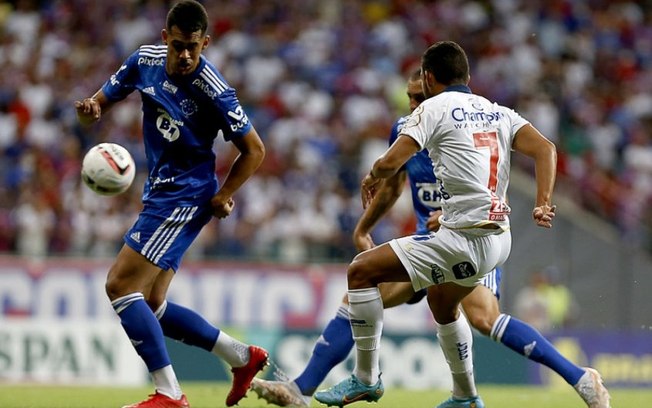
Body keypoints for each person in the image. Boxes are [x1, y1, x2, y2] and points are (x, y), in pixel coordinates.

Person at [252, 72, 610, 408]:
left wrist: (456, 213)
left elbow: (489, 186)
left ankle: (578, 376)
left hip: (467, 239)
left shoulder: (462, 126)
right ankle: (301, 389)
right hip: (430, 243)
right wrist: (363, 227)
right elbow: (392, 186)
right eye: (408, 97)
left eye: (419, 96)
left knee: (483, 318)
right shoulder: (406, 130)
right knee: (365, 292)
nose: (412, 105)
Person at [74, 2, 268, 407]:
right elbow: (104, 100)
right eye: (178, 46)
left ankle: (170, 394)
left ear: (205, 43)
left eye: (193, 48)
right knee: (151, 303)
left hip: (187, 193)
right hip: (160, 190)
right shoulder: (145, 60)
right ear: (165, 39)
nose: (184, 56)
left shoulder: (214, 89)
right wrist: (93, 108)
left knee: (120, 285)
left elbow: (254, 149)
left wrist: (224, 193)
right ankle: (242, 357)